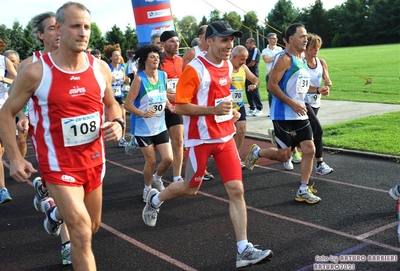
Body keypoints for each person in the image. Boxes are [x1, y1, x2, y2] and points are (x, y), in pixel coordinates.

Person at [0, 3, 123, 270]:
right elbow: (6, 112)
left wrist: (119, 123)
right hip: (58, 166)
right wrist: (14, 158)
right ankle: (59, 213)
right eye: (75, 26)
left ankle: (53, 213)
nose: (83, 33)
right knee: (80, 232)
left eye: (87, 27)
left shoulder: (99, 68)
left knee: (92, 226)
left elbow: (112, 104)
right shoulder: (35, 71)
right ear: (59, 28)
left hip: (94, 162)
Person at [142, 21, 274, 268]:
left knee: (237, 190)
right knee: (190, 189)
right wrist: (213, 110)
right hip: (200, 141)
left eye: (231, 40)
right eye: (224, 40)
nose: (229, 45)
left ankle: (243, 249)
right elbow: (180, 106)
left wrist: (230, 113)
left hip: (224, 139)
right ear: (210, 41)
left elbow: (221, 97)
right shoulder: (194, 69)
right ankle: (155, 199)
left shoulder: (226, 64)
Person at [11, 11, 73, 266]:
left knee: (74, 197)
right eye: (51, 29)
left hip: (76, 139)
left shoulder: (75, 59)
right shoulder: (29, 65)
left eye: (60, 28)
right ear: (40, 35)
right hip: (45, 137)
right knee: (67, 192)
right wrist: (23, 117)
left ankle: (51, 208)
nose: (58, 33)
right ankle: (68, 244)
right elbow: (14, 102)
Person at [245, 23, 321, 204]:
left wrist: (317, 89)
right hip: (283, 114)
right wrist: (292, 102)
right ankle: (258, 152)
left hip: (300, 112)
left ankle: (303, 188)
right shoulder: (285, 59)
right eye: (302, 36)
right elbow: (272, 85)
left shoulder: (301, 59)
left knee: (309, 150)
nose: (306, 39)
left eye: (306, 36)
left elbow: (301, 87)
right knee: (284, 155)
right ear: (291, 39)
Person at [124, 45, 173, 201]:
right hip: (143, 127)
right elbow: (127, 104)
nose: (156, 59)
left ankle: (157, 178)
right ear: (145, 59)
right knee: (151, 160)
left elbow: (163, 93)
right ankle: (147, 188)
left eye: (157, 57)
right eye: (152, 57)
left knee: (168, 159)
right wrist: (143, 113)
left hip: (160, 125)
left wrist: (169, 104)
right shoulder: (139, 79)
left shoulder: (163, 75)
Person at [181, 25, 214, 181]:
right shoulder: (193, 52)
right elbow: (184, 74)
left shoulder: (213, 52)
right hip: (193, 97)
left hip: (208, 97)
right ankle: (197, 169)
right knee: (195, 132)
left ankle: (201, 167)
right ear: (201, 37)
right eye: (208, 34)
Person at [304, 33, 333, 175]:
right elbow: (301, 86)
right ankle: (320, 164)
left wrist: (328, 84)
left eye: (317, 48)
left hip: (316, 102)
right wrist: (317, 89)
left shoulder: (321, 62)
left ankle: (283, 136)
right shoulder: (301, 64)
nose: (316, 50)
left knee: (304, 134)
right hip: (303, 102)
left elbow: (326, 76)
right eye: (312, 48)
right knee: (318, 131)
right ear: (305, 48)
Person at [159, 30, 185, 183]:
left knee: (179, 141)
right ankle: (155, 178)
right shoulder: (158, 62)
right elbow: (156, 88)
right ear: (163, 44)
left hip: (175, 108)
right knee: (157, 153)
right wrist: (171, 97)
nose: (176, 44)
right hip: (159, 109)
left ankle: (177, 177)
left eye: (177, 41)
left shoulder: (181, 61)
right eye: (172, 41)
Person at [230, 45, 259, 168]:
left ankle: (235, 156)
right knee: (227, 134)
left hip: (239, 105)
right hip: (225, 107)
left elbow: (255, 79)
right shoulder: (225, 67)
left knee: (241, 130)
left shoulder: (244, 68)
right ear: (234, 57)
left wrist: (254, 85)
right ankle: (226, 156)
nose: (244, 62)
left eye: (246, 59)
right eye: (242, 59)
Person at [0, 38, 17, 204]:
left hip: (3, 111)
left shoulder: (4, 61)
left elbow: (19, 81)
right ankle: (2, 190)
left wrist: (3, 79)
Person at [104, 43, 130, 148]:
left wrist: (126, 80)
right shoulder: (107, 68)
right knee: (110, 118)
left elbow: (123, 80)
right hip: (110, 96)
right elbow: (104, 82)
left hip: (120, 94)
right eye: (115, 55)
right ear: (111, 57)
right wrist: (110, 81)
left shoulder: (122, 68)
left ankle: (122, 139)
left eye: (119, 55)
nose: (118, 57)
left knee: (123, 116)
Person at [261, 33, 282, 112]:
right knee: (270, 93)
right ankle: (271, 110)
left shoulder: (279, 49)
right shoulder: (264, 50)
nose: (275, 40)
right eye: (273, 38)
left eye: (276, 38)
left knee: (280, 92)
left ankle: (279, 109)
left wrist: (273, 58)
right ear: (268, 39)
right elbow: (266, 60)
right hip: (269, 75)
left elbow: (281, 59)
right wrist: (277, 56)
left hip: (279, 74)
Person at [244, 37, 262, 116]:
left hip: (253, 72)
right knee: (248, 90)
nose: (246, 44)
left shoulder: (255, 50)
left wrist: (243, 67)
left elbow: (252, 63)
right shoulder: (247, 51)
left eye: (247, 43)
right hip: (247, 72)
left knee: (254, 90)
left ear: (252, 43)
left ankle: (259, 108)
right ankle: (252, 108)